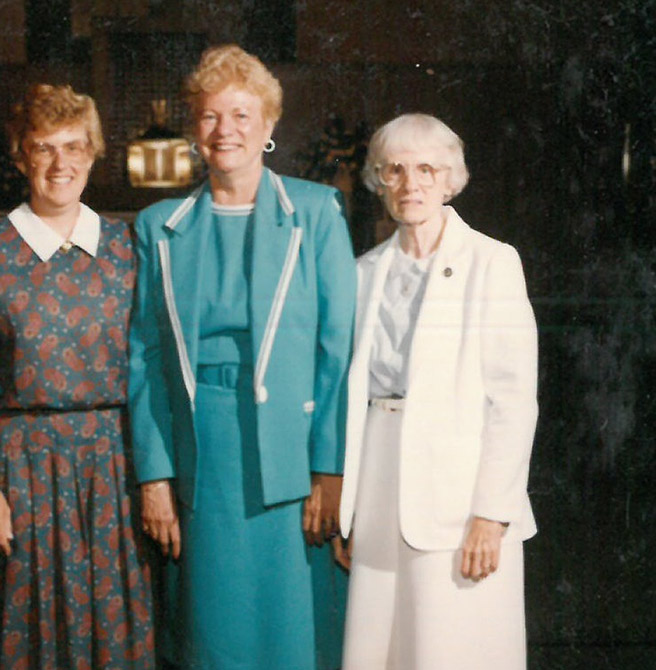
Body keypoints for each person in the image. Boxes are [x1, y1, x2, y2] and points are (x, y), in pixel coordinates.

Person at [128, 44, 356, 670]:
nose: (224, 130)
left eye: (241, 114)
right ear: (193, 129)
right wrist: (154, 474)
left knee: (291, 633)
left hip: (290, 451)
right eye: (208, 116)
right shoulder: (159, 226)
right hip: (204, 456)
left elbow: (338, 348)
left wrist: (329, 468)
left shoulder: (313, 213)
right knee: (213, 635)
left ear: (269, 127)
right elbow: (145, 357)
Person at [0, 83, 155, 669]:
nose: (60, 163)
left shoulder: (128, 245)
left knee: (113, 626)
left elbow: (149, 368)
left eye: (74, 147)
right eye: (43, 148)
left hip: (113, 468)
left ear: (94, 153)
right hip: (24, 468)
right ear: (20, 157)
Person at [336, 113, 538, 669]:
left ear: (451, 179)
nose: (411, 183)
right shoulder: (363, 272)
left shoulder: (492, 262)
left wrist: (491, 515)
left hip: (459, 507)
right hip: (379, 495)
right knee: (382, 652)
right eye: (395, 169)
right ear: (379, 180)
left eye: (427, 169)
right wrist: (348, 513)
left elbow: (514, 401)